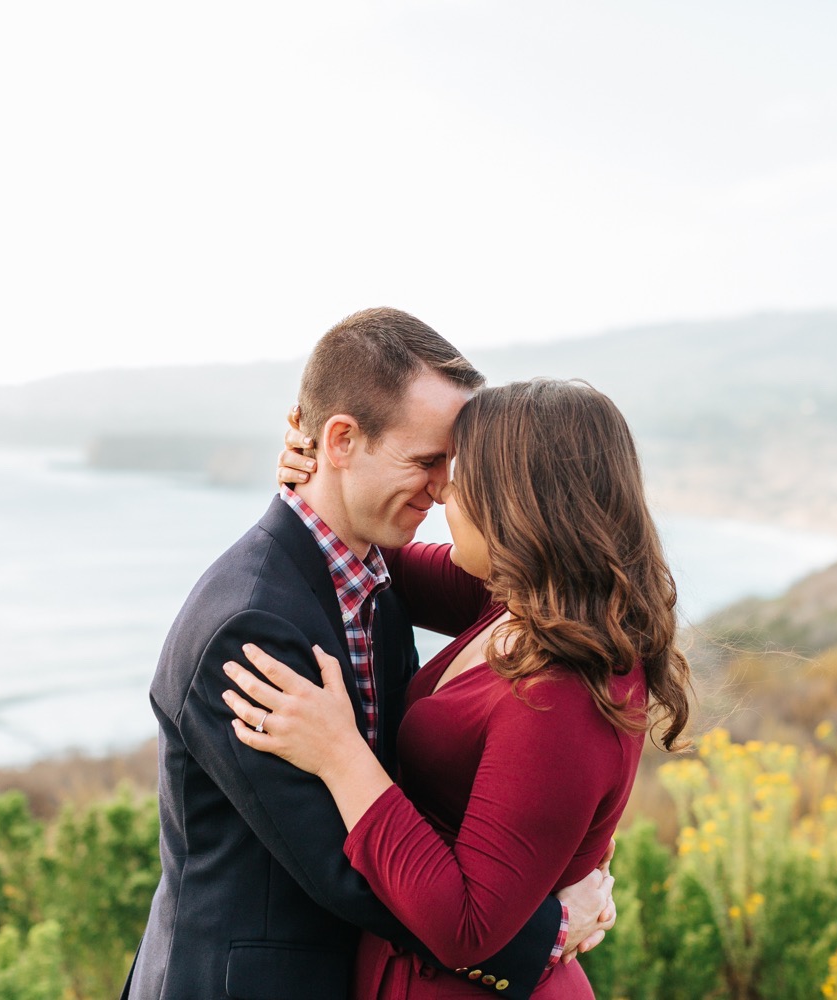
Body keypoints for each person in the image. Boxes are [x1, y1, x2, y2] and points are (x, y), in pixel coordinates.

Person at [123, 310, 615, 1000]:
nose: (446, 487)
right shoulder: (250, 627)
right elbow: (342, 864)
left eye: (452, 464)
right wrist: (546, 929)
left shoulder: (373, 577)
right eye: (426, 462)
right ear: (344, 439)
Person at [224, 378, 693, 998]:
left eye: (458, 473)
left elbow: (469, 925)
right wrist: (325, 480)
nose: (442, 490)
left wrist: (340, 755)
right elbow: (369, 550)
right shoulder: (520, 601)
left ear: (517, 504)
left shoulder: (561, 693)